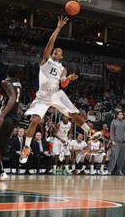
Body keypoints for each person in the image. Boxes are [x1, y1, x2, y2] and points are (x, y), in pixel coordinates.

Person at [20, 16, 90, 164]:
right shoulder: (46, 60)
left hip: (56, 94)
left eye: (58, 51)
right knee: (35, 121)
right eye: (55, 50)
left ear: (61, 56)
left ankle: (89, 131)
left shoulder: (62, 68)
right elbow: (49, 45)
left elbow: (63, 83)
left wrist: (69, 78)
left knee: (73, 114)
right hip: (43, 95)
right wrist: (58, 28)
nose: (55, 51)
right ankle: (26, 147)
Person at [108, 110, 125, 175]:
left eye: (121, 114)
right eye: (119, 114)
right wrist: (112, 140)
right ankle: (110, 170)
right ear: (117, 115)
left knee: (121, 158)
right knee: (114, 157)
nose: (120, 115)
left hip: (123, 143)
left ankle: (118, 170)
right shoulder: (113, 122)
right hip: (116, 142)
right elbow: (111, 132)